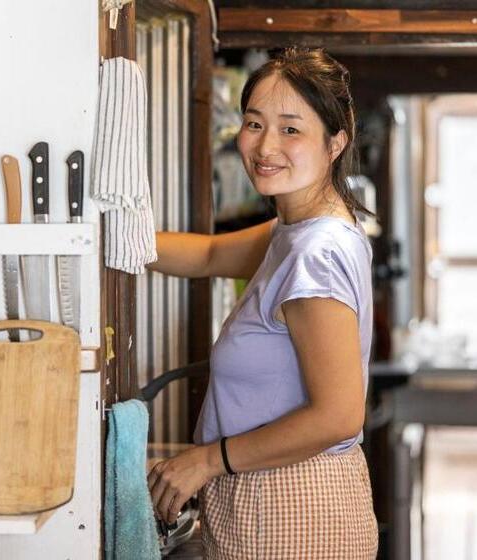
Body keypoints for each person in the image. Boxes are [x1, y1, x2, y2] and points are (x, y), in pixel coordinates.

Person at [147, 47, 379, 559]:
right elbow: (208, 255)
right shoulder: (296, 231)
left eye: (291, 129)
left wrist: (207, 460)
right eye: (254, 124)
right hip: (268, 492)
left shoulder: (316, 253)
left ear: (335, 142)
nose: (265, 146)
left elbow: (339, 416)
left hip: (292, 500)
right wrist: (112, 237)